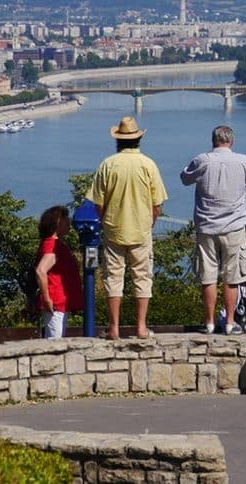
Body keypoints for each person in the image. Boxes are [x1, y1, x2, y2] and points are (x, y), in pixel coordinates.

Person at [87, 116, 168, 340]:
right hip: (141, 230)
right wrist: (148, 222)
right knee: (142, 278)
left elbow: (98, 203)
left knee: (113, 278)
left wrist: (106, 221)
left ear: (118, 140)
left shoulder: (107, 164)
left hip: (114, 230)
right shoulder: (148, 164)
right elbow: (158, 203)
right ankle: (141, 327)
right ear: (138, 139)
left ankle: (114, 328)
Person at [181, 125, 246, 335]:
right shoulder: (243, 161)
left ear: (213, 140)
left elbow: (185, 178)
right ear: (231, 141)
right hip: (234, 226)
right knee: (232, 277)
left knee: (208, 275)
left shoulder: (202, 160)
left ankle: (209, 322)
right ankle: (230, 322)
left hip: (206, 226)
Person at [35, 206, 83, 339]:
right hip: (56, 302)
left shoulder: (56, 245)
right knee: (55, 341)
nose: (69, 222)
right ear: (57, 223)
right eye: (65, 219)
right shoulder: (52, 245)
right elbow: (41, 270)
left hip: (60, 302)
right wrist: (47, 298)